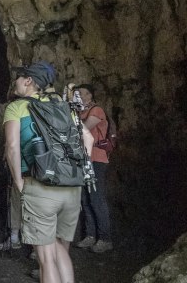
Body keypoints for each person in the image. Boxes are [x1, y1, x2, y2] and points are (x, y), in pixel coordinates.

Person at [4, 62, 91, 283]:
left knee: (46, 259)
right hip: (71, 186)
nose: (15, 82)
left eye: (18, 77)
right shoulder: (61, 105)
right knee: (60, 249)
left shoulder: (17, 107)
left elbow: (12, 147)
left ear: (28, 81)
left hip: (40, 186)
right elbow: (87, 138)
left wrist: (18, 181)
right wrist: (81, 171)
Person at [74, 83, 113, 253]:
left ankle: (105, 238)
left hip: (96, 159)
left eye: (82, 94)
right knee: (85, 199)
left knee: (96, 198)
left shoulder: (96, 111)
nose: (80, 97)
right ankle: (90, 235)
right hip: (83, 159)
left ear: (90, 95)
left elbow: (82, 130)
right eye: (77, 94)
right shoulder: (79, 113)